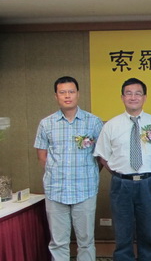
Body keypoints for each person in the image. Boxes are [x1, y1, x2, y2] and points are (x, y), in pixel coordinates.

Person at [34, 76, 103, 261]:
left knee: (86, 241)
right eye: (62, 92)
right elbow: (42, 156)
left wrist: (88, 173)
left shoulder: (94, 122)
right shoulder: (46, 123)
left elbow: (100, 156)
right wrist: (56, 173)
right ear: (56, 96)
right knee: (58, 242)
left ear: (78, 94)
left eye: (71, 92)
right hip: (56, 190)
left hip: (85, 189)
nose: (67, 96)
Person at [94, 78, 151, 261]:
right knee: (122, 230)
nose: (133, 97)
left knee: (147, 229)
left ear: (145, 97)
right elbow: (102, 155)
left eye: (138, 93)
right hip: (121, 183)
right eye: (129, 93)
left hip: (148, 182)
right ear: (122, 97)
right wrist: (119, 173)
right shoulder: (111, 125)